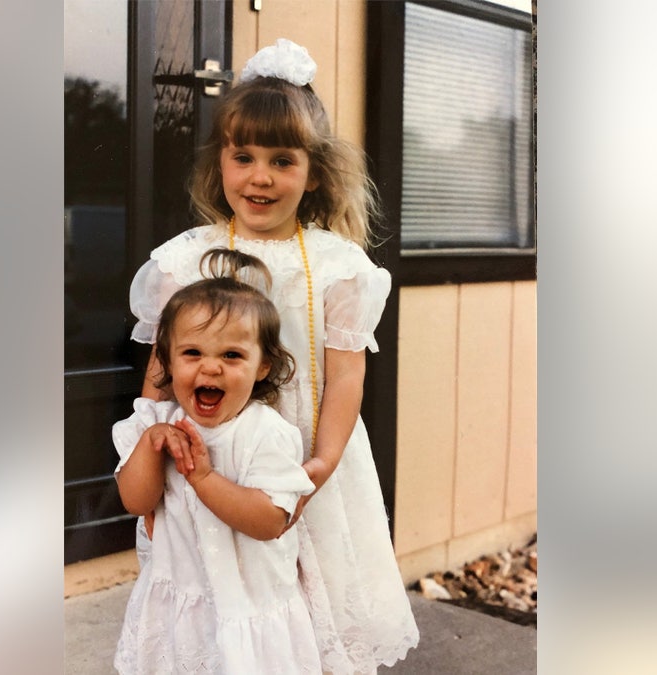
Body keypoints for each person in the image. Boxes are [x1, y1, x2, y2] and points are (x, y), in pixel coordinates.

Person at [128, 38, 418, 673]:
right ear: (221, 165)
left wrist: (323, 462)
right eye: (243, 157)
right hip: (211, 449)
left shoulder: (339, 266)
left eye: (281, 160)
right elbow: (159, 366)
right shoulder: (186, 259)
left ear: (312, 172)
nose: (260, 177)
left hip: (307, 453)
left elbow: (345, 376)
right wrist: (148, 454)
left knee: (311, 605)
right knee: (219, 599)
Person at [113, 248, 329, 674]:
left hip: (247, 601)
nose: (210, 368)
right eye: (192, 353)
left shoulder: (264, 433)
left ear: (262, 366)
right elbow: (136, 501)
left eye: (231, 356)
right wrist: (151, 446)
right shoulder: (158, 421)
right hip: (180, 599)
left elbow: (270, 521)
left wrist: (204, 477)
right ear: (169, 362)